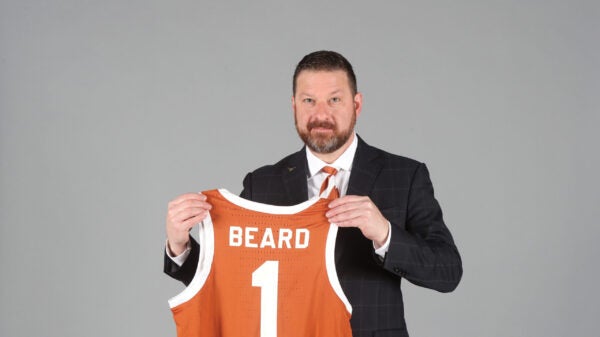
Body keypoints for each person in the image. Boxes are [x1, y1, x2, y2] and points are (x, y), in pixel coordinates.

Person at [164, 50, 462, 337]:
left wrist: (384, 233)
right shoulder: (262, 183)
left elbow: (448, 272)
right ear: (294, 106)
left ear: (356, 105)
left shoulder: (405, 176)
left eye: (334, 99)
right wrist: (180, 246)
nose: (321, 114)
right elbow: (230, 279)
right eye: (309, 100)